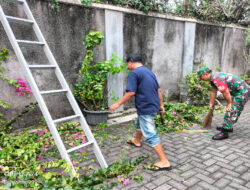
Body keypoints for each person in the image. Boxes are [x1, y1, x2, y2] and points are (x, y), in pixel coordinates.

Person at [109, 53, 171, 171]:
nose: (127, 66)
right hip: (153, 105)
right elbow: (158, 90)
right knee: (139, 124)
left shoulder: (134, 73)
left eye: (127, 64)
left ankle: (164, 161)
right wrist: (161, 105)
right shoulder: (149, 72)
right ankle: (137, 141)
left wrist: (117, 104)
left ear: (131, 62)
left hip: (146, 107)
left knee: (150, 133)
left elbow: (131, 92)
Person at [197, 67, 250, 140]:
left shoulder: (217, 78)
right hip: (237, 91)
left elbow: (225, 92)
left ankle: (225, 131)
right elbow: (213, 92)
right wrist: (211, 104)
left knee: (231, 109)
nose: (200, 78)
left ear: (205, 74)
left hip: (243, 92)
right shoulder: (212, 79)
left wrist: (229, 103)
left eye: (200, 76)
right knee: (232, 109)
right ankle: (228, 126)